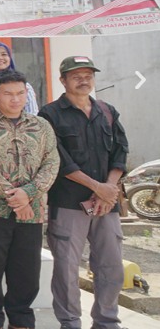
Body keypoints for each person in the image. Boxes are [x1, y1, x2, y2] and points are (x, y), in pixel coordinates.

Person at [39, 56, 129, 329]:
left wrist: (108, 189)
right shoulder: (49, 114)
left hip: (106, 204)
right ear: (63, 80)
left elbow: (120, 152)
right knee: (66, 268)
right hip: (68, 203)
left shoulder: (107, 111)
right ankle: (70, 322)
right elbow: (59, 159)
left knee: (111, 266)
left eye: (88, 74)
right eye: (76, 75)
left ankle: (106, 321)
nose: (83, 80)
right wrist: (97, 187)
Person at [0, 69, 59, 329]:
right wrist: (17, 199)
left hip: (32, 213)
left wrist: (28, 195)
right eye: (8, 94)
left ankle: (20, 322)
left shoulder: (41, 126)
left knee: (26, 275)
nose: (15, 99)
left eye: (21, 93)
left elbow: (52, 163)